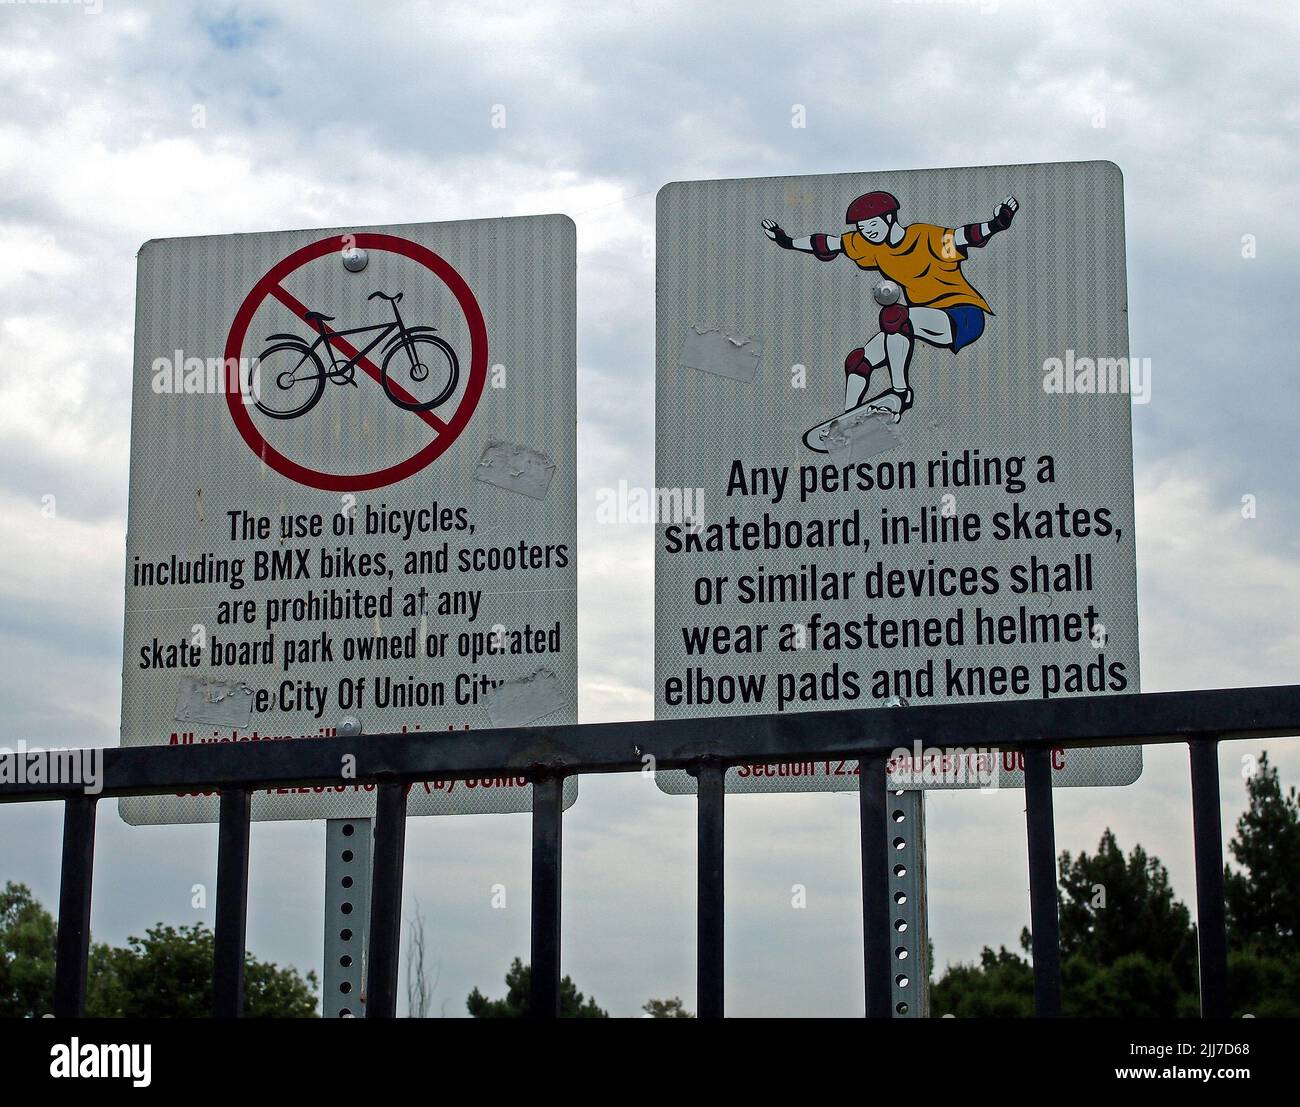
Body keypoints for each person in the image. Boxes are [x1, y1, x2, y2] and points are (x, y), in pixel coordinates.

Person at [762, 190, 1019, 422]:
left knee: (896, 317)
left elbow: (964, 237)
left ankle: (900, 392)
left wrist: (996, 224)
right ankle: (849, 418)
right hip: (918, 319)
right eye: (862, 228)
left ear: (889, 218)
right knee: (858, 361)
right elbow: (828, 243)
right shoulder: (872, 247)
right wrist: (787, 241)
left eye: (872, 224)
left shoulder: (924, 236)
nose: (868, 232)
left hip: (962, 315)